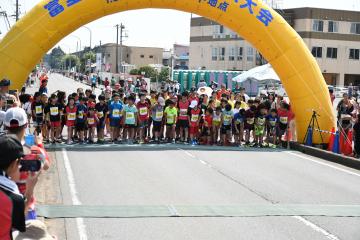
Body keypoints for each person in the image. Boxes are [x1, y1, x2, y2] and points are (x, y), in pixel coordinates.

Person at [0, 135, 38, 239]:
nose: (21, 167)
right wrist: (29, 190)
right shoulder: (12, 198)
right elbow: (19, 223)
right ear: (13, 164)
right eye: (20, 163)